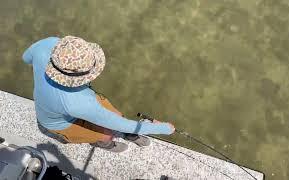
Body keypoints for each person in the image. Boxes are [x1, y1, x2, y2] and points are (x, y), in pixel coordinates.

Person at [22, 36, 175, 153]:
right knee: (106, 133)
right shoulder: (77, 103)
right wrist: (163, 128)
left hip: (68, 101)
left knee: (116, 115)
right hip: (59, 123)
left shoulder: (47, 45)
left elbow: (26, 58)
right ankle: (105, 143)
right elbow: (121, 124)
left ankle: (129, 135)